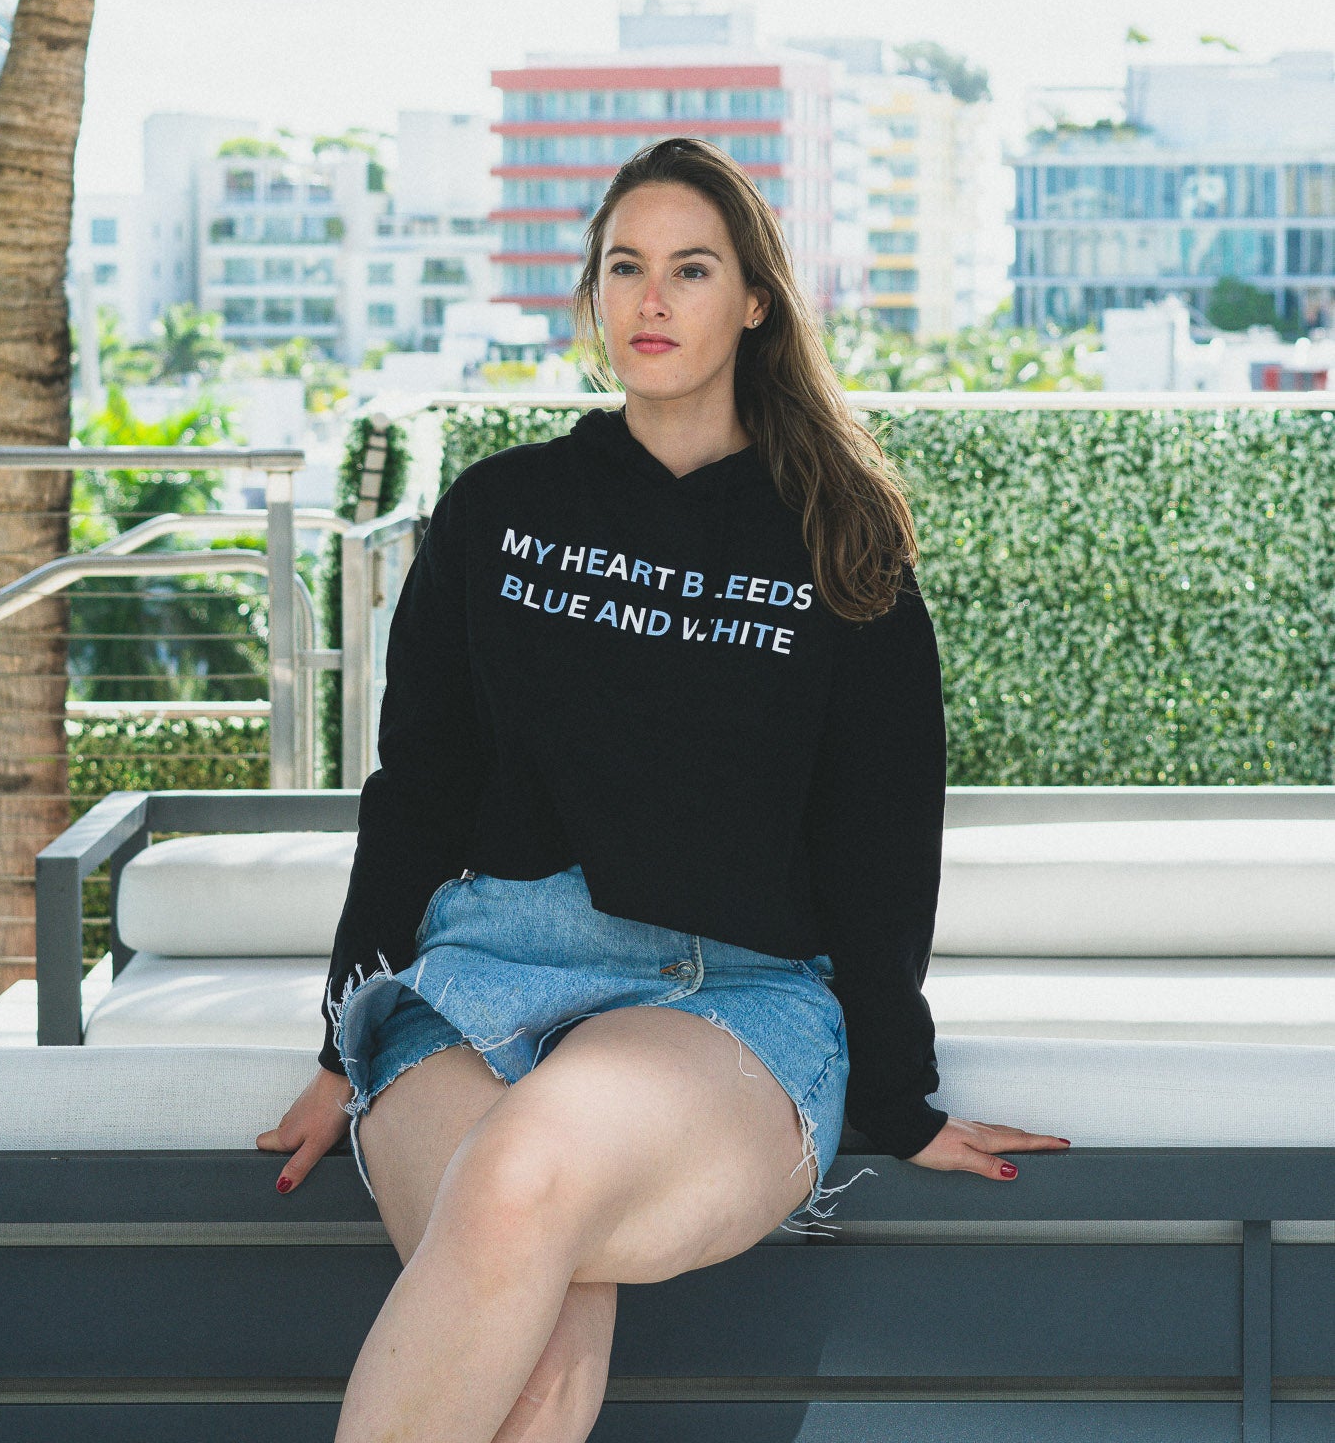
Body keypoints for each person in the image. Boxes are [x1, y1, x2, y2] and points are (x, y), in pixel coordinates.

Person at [257, 134, 1070, 1443]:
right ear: (591, 292)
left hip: (722, 998)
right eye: (624, 267)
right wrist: (334, 1040)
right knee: (523, 1302)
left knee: (521, 1181)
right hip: (474, 978)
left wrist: (894, 1100)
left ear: (753, 299)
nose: (649, 300)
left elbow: (878, 841)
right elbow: (417, 785)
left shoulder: (837, 544)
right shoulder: (500, 510)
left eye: (689, 269)